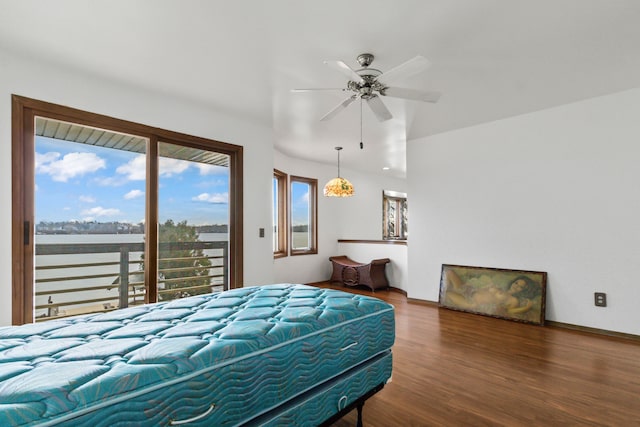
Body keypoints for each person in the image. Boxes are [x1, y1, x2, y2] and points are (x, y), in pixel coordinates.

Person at [443, 269, 539, 316]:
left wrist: (526, 308)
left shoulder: (513, 300)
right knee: (449, 272)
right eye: (516, 283)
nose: (516, 286)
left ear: (523, 290)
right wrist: (484, 286)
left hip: (471, 303)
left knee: (446, 294)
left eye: (520, 287)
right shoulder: (500, 286)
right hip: (468, 290)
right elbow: (481, 288)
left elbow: (510, 311)